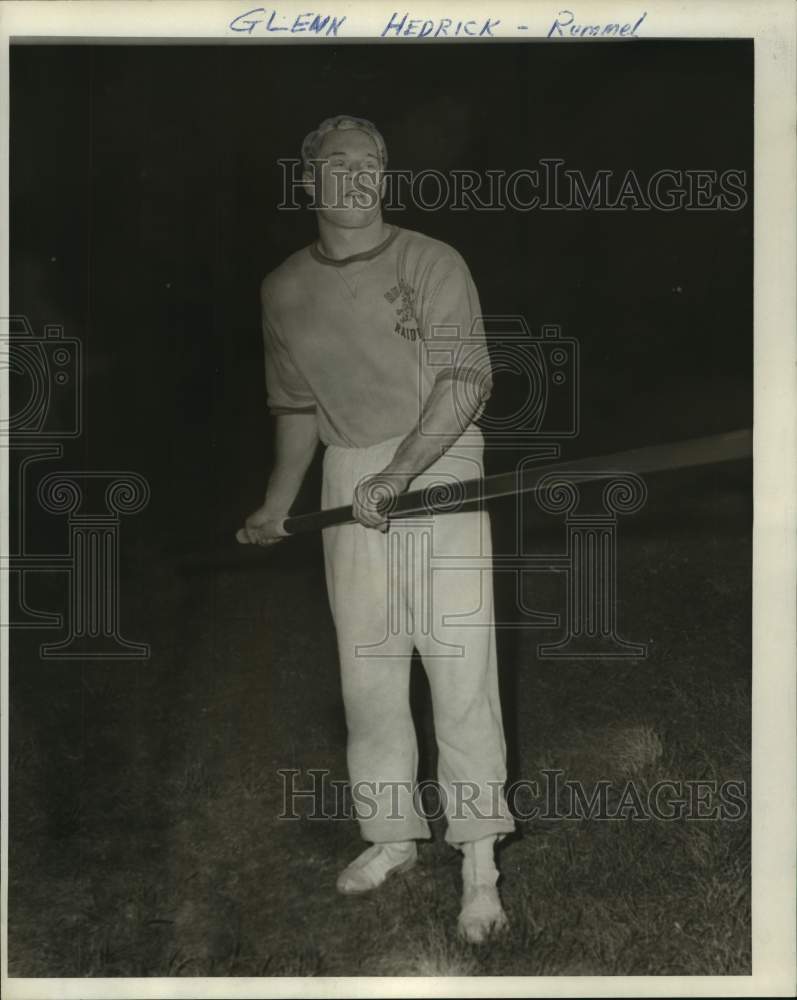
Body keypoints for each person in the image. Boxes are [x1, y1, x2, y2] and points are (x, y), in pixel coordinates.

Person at [239, 114, 515, 943]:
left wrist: (401, 474)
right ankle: (391, 834)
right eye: (337, 164)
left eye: (372, 164)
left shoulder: (431, 260)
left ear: (386, 178)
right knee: (368, 671)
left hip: (437, 461)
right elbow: (294, 409)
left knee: (458, 667)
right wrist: (278, 501)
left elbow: (467, 380)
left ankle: (478, 864)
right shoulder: (282, 287)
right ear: (308, 177)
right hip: (349, 468)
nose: (356, 178)